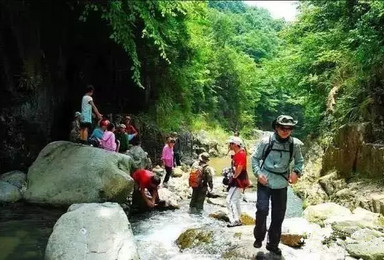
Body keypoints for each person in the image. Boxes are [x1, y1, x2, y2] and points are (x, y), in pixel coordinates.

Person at [251, 115, 304, 256]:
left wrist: (296, 172)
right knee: (262, 210)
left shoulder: (295, 144)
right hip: (265, 180)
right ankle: (259, 237)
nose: (285, 130)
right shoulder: (265, 141)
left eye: (289, 128)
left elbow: (300, 162)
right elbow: (255, 159)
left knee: (278, 215)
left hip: (281, 184)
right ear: (276, 127)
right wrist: (258, 174)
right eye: (282, 127)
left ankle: (273, 244)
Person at [226, 136, 250, 228]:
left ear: (235, 145)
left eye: (231, 144)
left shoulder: (241, 154)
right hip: (239, 179)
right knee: (235, 200)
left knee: (230, 201)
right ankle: (238, 218)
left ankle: (235, 220)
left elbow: (239, 167)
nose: (229, 145)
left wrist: (234, 176)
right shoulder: (240, 153)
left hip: (238, 180)